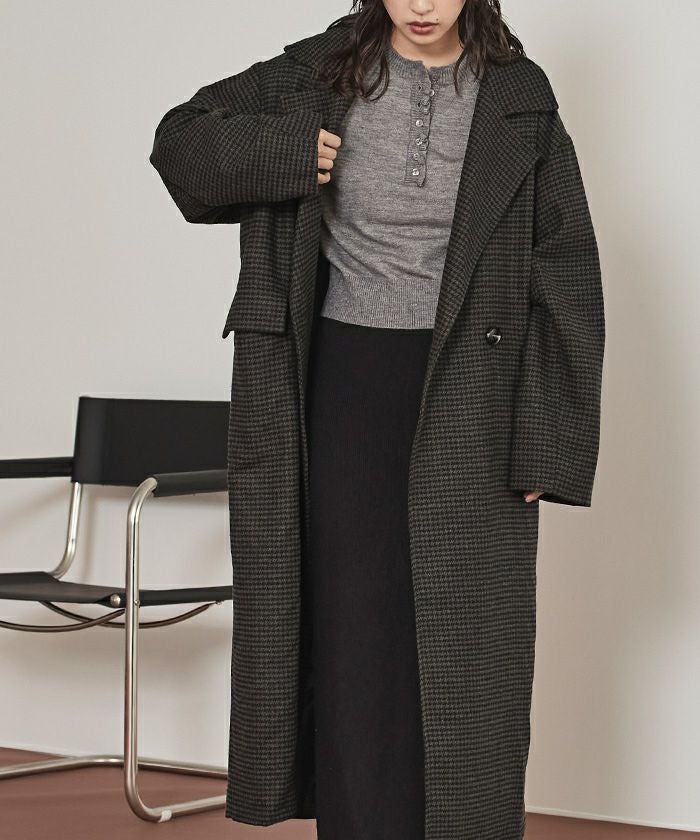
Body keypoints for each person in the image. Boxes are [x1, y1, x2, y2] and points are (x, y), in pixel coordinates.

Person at [148, 2, 605, 838]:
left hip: (471, 386)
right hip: (341, 382)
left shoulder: (520, 96)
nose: (421, 5)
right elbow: (179, 142)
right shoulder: (319, 72)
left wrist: (545, 442)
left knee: (463, 636)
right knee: (352, 621)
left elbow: (564, 268)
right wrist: (288, 150)